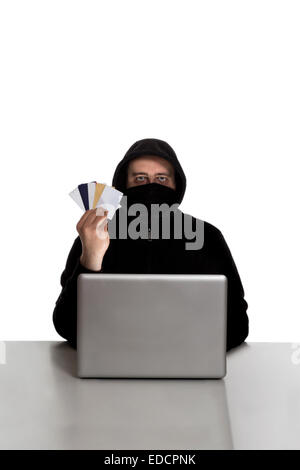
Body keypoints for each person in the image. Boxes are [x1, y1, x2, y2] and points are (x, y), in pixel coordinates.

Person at [53, 137, 249, 351]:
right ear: (123, 185)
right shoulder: (96, 234)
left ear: (176, 186)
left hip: (187, 364)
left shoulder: (207, 236)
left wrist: (183, 347)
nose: (151, 187)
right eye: (140, 178)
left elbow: (239, 324)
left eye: (162, 179)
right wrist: (90, 257)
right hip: (111, 365)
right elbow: (65, 325)